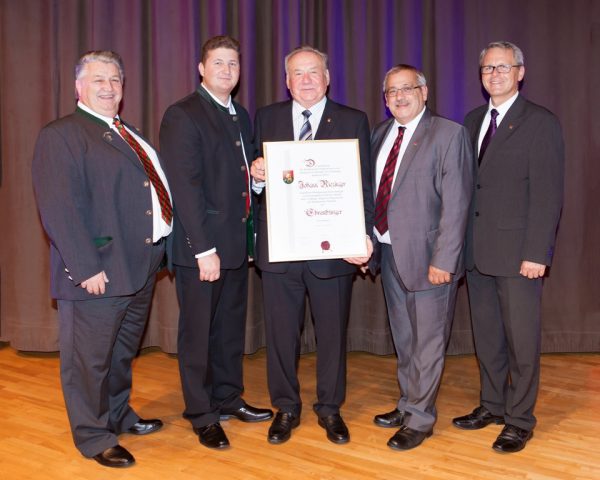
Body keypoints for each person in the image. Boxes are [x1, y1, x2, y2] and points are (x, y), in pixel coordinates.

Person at [32, 50, 170, 468]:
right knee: (88, 361)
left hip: (140, 266)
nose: (108, 87)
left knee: (120, 353)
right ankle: (93, 436)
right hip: (100, 272)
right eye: (98, 80)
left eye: (114, 80)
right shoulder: (63, 134)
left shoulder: (127, 133)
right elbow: (59, 207)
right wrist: (86, 266)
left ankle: (117, 415)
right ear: (79, 87)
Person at [250, 45, 373, 445]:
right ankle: (285, 407)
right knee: (282, 337)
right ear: (286, 81)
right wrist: (257, 176)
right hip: (281, 251)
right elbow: (255, 185)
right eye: (297, 73)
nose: (306, 80)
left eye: (313, 72)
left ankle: (330, 409)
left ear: (328, 77)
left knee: (332, 337)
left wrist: (362, 235)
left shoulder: (353, 120)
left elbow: (363, 186)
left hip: (332, 252)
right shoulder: (265, 118)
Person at [159, 35, 272, 450]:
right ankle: (202, 413)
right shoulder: (183, 115)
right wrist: (203, 250)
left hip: (236, 245)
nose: (227, 70)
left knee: (227, 330)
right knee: (197, 335)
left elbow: (235, 179)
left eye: (234, 64)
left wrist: (257, 180)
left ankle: (227, 397)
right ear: (201, 68)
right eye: (219, 63)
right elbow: (184, 189)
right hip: (202, 250)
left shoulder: (240, 115)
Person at [452, 41, 564, 453]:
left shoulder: (540, 122)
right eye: (487, 68)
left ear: (520, 71)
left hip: (519, 255)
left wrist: (538, 252)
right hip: (478, 253)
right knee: (488, 338)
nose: (494, 74)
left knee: (521, 342)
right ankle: (493, 405)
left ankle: (519, 419)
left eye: (503, 67)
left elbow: (549, 194)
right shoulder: (472, 119)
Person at [369, 64, 473, 451]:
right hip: (389, 252)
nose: (399, 96)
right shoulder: (381, 133)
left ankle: (420, 419)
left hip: (431, 259)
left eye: (407, 88)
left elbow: (457, 204)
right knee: (406, 337)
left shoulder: (448, 134)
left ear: (424, 92)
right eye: (391, 91)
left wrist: (444, 259)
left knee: (428, 341)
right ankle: (408, 402)